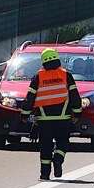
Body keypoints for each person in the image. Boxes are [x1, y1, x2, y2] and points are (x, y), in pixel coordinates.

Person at [23, 48, 82, 180]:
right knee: (62, 143)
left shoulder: (38, 77)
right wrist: (77, 113)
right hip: (63, 118)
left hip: (44, 120)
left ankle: (44, 175)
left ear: (43, 61)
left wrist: (25, 115)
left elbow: (30, 98)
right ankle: (58, 159)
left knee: (45, 146)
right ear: (57, 59)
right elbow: (74, 96)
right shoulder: (66, 75)